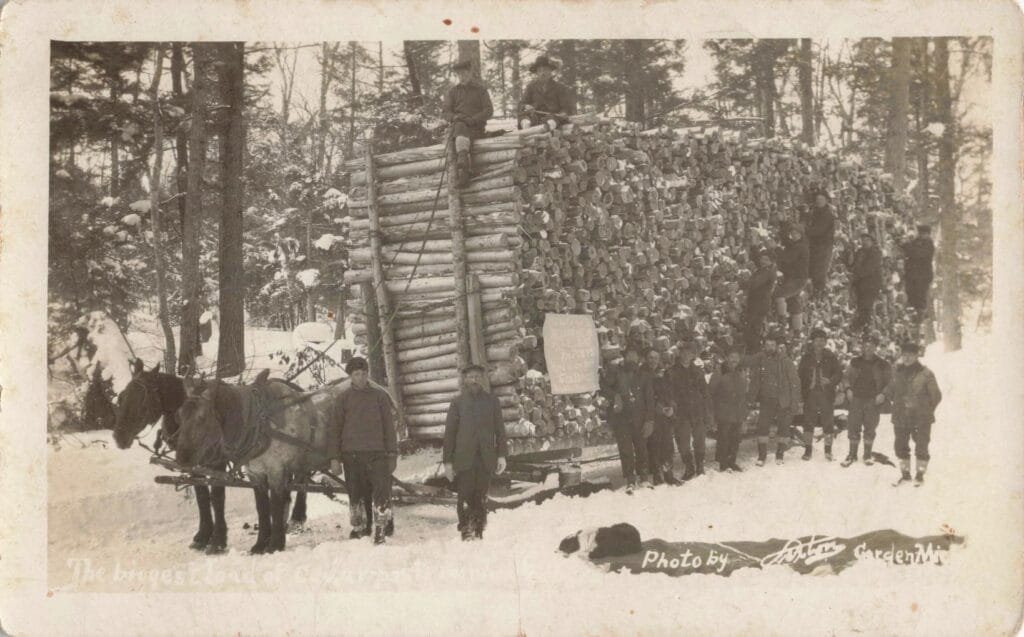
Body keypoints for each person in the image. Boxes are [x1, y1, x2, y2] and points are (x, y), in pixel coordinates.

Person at [328, 357, 398, 545]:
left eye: (364, 374)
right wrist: (334, 457)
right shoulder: (343, 398)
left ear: (368, 375)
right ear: (350, 376)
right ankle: (360, 527)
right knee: (356, 493)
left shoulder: (380, 397)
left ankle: (381, 529)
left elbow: (389, 428)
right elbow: (335, 429)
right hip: (352, 456)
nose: (361, 377)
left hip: (377, 454)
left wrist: (392, 454)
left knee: (381, 493)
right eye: (356, 374)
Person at [443, 364, 508, 540]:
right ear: (465, 380)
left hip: (486, 458)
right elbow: (449, 434)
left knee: (481, 496)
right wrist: (448, 462)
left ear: (483, 379)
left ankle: (479, 528)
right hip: (464, 459)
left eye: (478, 377)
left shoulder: (492, 401)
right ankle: (466, 529)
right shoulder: (457, 402)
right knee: (464, 494)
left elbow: (500, 430)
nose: (474, 380)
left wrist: (501, 455)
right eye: (471, 377)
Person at [879, 341, 942, 486]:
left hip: (921, 418)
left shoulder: (926, 374)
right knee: (900, 446)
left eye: (910, 355)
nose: (907, 358)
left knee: (921, 446)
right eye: (904, 355)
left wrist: (925, 410)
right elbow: (890, 388)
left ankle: (920, 475)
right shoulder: (897, 372)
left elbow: (936, 396)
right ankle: (905, 474)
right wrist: (883, 395)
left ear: (916, 356)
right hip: (901, 416)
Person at [748, 331, 802, 466]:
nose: (770, 347)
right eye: (767, 345)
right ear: (764, 346)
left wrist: (794, 402)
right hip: (767, 399)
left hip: (783, 400)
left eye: (772, 345)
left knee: (783, 428)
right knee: (762, 427)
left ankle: (780, 454)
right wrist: (751, 397)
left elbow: (795, 383)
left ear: (777, 346)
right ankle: (762, 455)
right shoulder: (760, 359)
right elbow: (754, 379)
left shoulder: (786, 361)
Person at [606, 347, 654, 492]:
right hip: (622, 419)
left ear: (639, 359)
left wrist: (649, 420)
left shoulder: (644, 376)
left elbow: (649, 399)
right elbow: (604, 387)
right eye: (630, 356)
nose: (632, 359)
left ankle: (644, 478)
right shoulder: (615, 373)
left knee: (642, 449)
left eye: (635, 356)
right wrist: (615, 396)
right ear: (625, 357)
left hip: (640, 419)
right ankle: (630, 480)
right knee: (626, 450)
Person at [442, 59, 494, 189]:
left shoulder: (480, 90)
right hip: (459, 125)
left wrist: (474, 119)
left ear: (470, 73)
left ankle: (464, 166)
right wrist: (455, 117)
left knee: (460, 128)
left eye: (465, 73)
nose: (462, 76)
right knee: (459, 125)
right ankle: (464, 167)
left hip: (475, 127)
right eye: (459, 74)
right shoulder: (453, 92)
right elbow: (446, 112)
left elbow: (488, 110)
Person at [842, 334, 892, 467]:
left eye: (871, 346)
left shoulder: (883, 364)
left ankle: (867, 454)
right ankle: (852, 454)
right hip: (856, 399)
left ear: (876, 347)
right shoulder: (855, 362)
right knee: (853, 426)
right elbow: (846, 377)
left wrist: (883, 394)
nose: (868, 348)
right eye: (865, 346)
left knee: (870, 427)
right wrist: (847, 389)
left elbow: (891, 383)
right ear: (862, 347)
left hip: (873, 400)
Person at [797, 328, 842, 461]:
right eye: (817, 341)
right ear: (813, 342)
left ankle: (828, 451)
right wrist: (805, 387)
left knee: (828, 421)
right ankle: (807, 450)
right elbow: (800, 375)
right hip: (810, 394)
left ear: (825, 342)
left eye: (822, 341)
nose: (819, 343)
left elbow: (839, 373)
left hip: (826, 394)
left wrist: (830, 381)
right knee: (808, 421)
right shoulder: (806, 357)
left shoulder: (831, 356)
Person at [670, 341, 710, 479]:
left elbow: (704, 392)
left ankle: (700, 466)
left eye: (690, 353)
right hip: (681, 413)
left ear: (693, 355)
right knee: (683, 442)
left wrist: (706, 411)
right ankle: (689, 467)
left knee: (700, 440)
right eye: (684, 352)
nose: (687, 355)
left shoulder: (698, 371)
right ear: (679, 353)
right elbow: (670, 393)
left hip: (697, 410)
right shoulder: (672, 372)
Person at [708, 347, 749, 472]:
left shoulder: (741, 372)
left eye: (736, 358)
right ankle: (723, 464)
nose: (734, 360)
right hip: (723, 411)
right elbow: (711, 392)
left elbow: (743, 393)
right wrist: (713, 414)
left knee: (735, 438)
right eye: (731, 357)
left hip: (737, 411)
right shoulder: (719, 371)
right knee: (724, 438)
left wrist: (744, 414)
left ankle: (732, 462)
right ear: (726, 358)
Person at [645, 349, 680, 485]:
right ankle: (657, 475)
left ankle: (668, 474)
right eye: (650, 357)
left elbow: (672, 393)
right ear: (646, 359)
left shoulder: (665, 374)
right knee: (654, 446)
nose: (652, 360)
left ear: (659, 359)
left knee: (668, 446)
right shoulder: (643, 374)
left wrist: (671, 407)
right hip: (652, 416)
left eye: (655, 358)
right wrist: (655, 408)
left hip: (666, 416)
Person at [518, 55, 575, 130]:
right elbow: (522, 104)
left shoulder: (560, 88)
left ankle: (549, 128)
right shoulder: (531, 87)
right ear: (536, 73)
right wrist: (526, 106)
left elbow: (566, 107)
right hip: (535, 118)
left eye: (545, 70)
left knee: (553, 119)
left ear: (551, 71)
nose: (542, 73)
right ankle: (527, 129)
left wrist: (564, 113)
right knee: (524, 117)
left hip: (554, 117)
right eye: (540, 71)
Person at [774, 224, 810, 335]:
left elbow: (788, 258)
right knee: (794, 303)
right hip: (793, 279)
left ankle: (782, 318)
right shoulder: (796, 245)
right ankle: (797, 331)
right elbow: (787, 241)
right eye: (792, 234)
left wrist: (775, 248)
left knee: (779, 294)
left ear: (801, 235)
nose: (793, 236)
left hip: (797, 279)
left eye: (796, 234)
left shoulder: (800, 247)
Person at [742, 248, 777, 353]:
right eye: (762, 259)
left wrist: (745, 279)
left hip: (759, 304)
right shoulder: (766, 269)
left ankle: (752, 350)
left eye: (766, 259)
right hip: (759, 303)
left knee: (753, 328)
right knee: (754, 327)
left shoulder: (767, 271)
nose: (763, 261)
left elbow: (754, 284)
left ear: (771, 261)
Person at [900, 224, 936, 321]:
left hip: (922, 275)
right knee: (911, 293)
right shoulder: (917, 241)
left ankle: (920, 316)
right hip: (912, 273)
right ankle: (913, 314)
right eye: (920, 233)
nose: (921, 235)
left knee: (920, 295)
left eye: (923, 234)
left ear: (928, 234)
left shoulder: (928, 244)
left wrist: (907, 246)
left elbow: (917, 253)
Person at [849, 232, 883, 330]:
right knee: (860, 305)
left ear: (872, 242)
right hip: (861, 284)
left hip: (871, 285)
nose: (864, 242)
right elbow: (853, 263)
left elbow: (869, 268)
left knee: (865, 305)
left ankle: (863, 325)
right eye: (863, 240)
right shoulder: (860, 252)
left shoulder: (876, 253)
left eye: (867, 240)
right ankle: (861, 325)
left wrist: (857, 275)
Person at [805, 191, 836, 297]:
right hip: (814, 245)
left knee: (819, 271)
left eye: (821, 200)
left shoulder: (827, 215)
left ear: (826, 201)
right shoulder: (815, 212)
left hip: (823, 247)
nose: (818, 202)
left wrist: (804, 229)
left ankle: (820, 294)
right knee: (812, 269)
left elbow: (818, 230)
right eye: (817, 200)